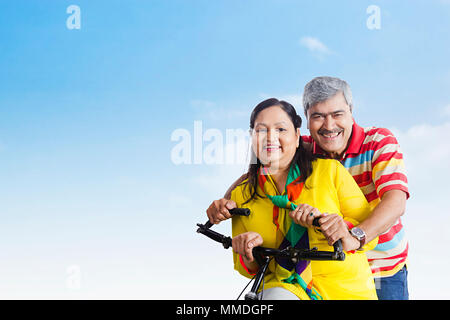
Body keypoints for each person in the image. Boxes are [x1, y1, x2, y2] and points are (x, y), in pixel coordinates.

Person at [207, 77, 409, 300]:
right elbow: (263, 167)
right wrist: (227, 203)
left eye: (337, 114)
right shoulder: (302, 144)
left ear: (351, 111)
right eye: (318, 116)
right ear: (306, 120)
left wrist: (355, 236)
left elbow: (395, 201)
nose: (329, 125)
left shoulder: (378, 141)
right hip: (324, 263)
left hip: (381, 261)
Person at [227, 97, 377, 300]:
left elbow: (369, 234)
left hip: (344, 288)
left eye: (281, 129)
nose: (270, 137)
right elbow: (246, 269)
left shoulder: (331, 172)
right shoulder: (241, 195)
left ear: (297, 136)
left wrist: (342, 230)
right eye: (261, 130)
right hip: (284, 286)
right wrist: (248, 253)